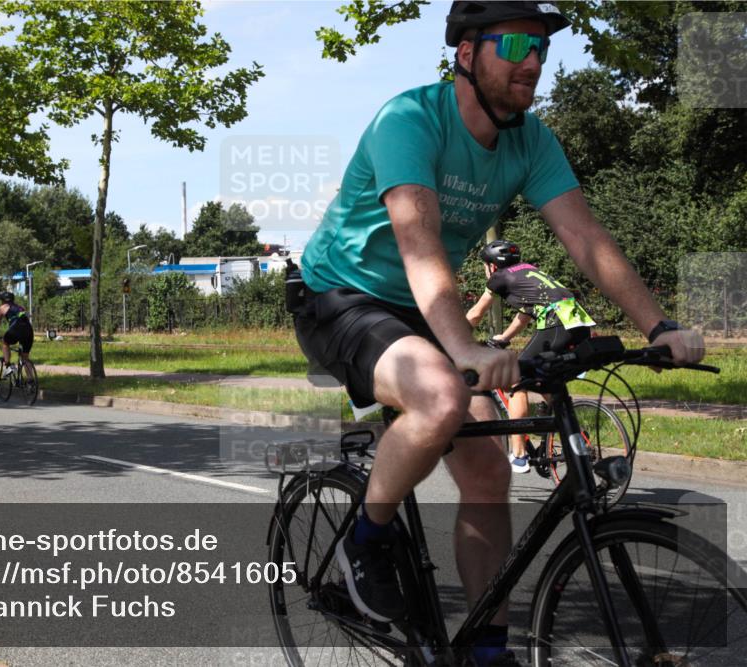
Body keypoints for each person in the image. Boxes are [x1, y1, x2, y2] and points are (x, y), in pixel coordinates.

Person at [291, 2, 703, 664]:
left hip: (420, 309)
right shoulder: (410, 121)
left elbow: (586, 238)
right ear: (465, 53)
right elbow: (420, 245)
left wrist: (658, 324)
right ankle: (364, 541)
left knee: (487, 467)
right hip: (339, 296)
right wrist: (464, 350)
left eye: (540, 48)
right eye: (514, 44)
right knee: (442, 396)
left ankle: (485, 646)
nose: (532, 61)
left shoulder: (530, 141)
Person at [466, 239, 595, 473]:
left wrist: (452, 339)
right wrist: (503, 338)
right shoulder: (529, 272)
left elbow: (475, 313)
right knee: (545, 380)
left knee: (515, 379)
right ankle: (571, 430)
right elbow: (525, 315)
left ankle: (518, 455)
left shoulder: (499, 278)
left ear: (492, 266)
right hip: (581, 327)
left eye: (485, 265)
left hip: (557, 326)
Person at [0, 291, 34, 378]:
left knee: (5, 342)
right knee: (25, 358)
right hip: (28, 330)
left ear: (2, 300)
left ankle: (8, 366)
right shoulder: (20, 307)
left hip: (16, 328)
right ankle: (31, 382)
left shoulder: (2, 308)